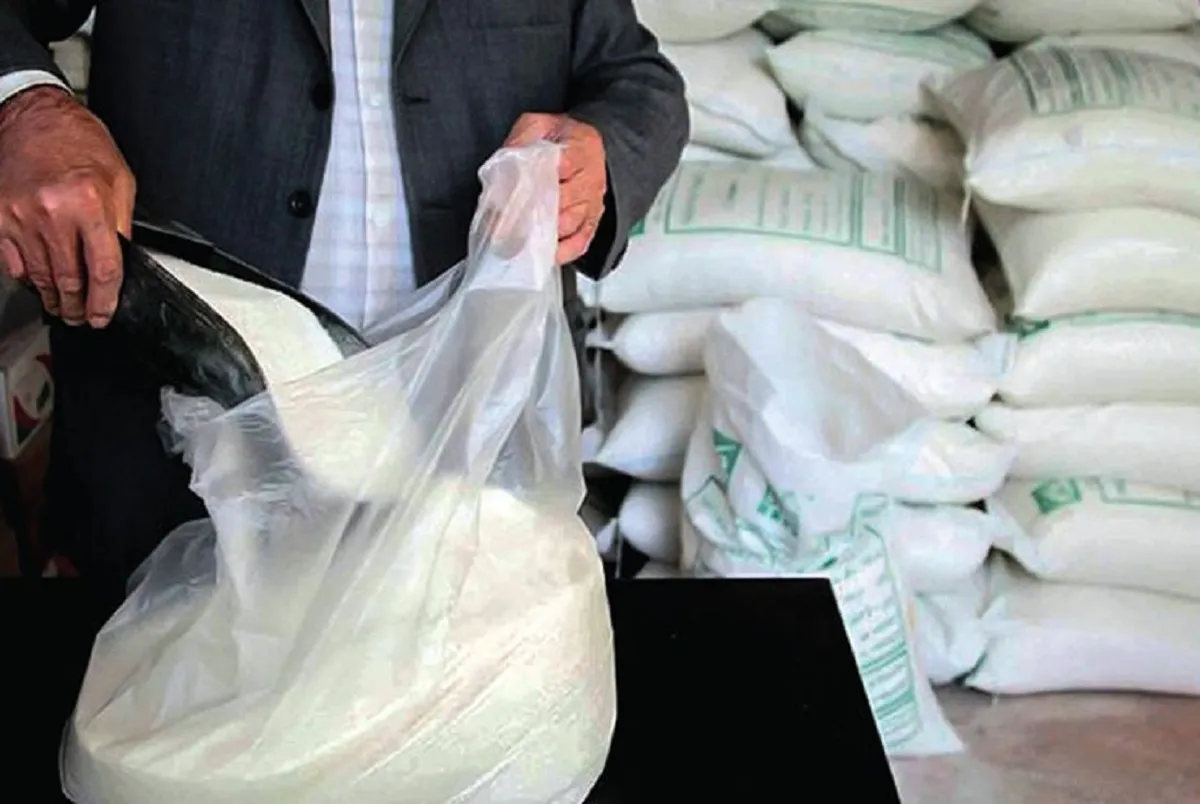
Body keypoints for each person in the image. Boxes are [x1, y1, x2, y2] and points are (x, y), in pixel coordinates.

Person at [0, 1, 687, 596]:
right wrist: (26, 106)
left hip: (468, 451)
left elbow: (635, 79)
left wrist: (599, 156)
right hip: (176, 445)